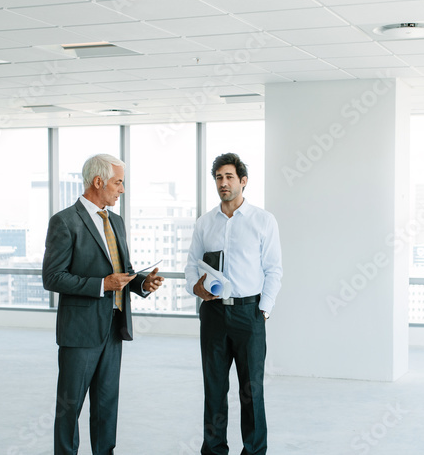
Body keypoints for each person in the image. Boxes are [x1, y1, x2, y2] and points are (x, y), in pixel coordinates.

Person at [42, 154, 164, 455]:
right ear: (98, 181)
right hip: (80, 332)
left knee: (107, 405)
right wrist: (101, 285)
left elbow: (123, 268)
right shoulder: (65, 221)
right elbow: (53, 277)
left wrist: (141, 283)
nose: (121, 189)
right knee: (70, 408)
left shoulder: (117, 222)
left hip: (114, 327)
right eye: (118, 182)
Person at [185, 153, 283, 455]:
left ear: (243, 181)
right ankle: (214, 450)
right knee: (214, 388)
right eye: (218, 177)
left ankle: (254, 450)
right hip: (213, 313)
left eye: (229, 177)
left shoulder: (263, 221)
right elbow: (191, 265)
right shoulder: (205, 223)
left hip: (249, 314)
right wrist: (196, 288)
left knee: (251, 390)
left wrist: (262, 312)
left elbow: (274, 270)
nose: (223, 183)